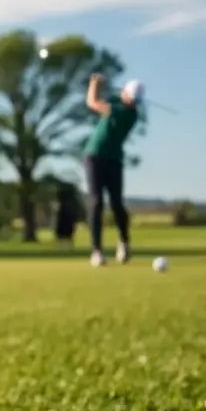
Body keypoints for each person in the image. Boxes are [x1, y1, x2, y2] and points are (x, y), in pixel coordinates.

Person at [84, 75, 143, 267]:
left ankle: (124, 243)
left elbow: (92, 102)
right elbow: (112, 97)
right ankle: (97, 251)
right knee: (96, 202)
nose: (132, 102)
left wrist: (94, 84)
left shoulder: (124, 112)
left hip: (113, 159)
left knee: (116, 203)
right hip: (94, 157)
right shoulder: (119, 102)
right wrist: (109, 88)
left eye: (134, 100)